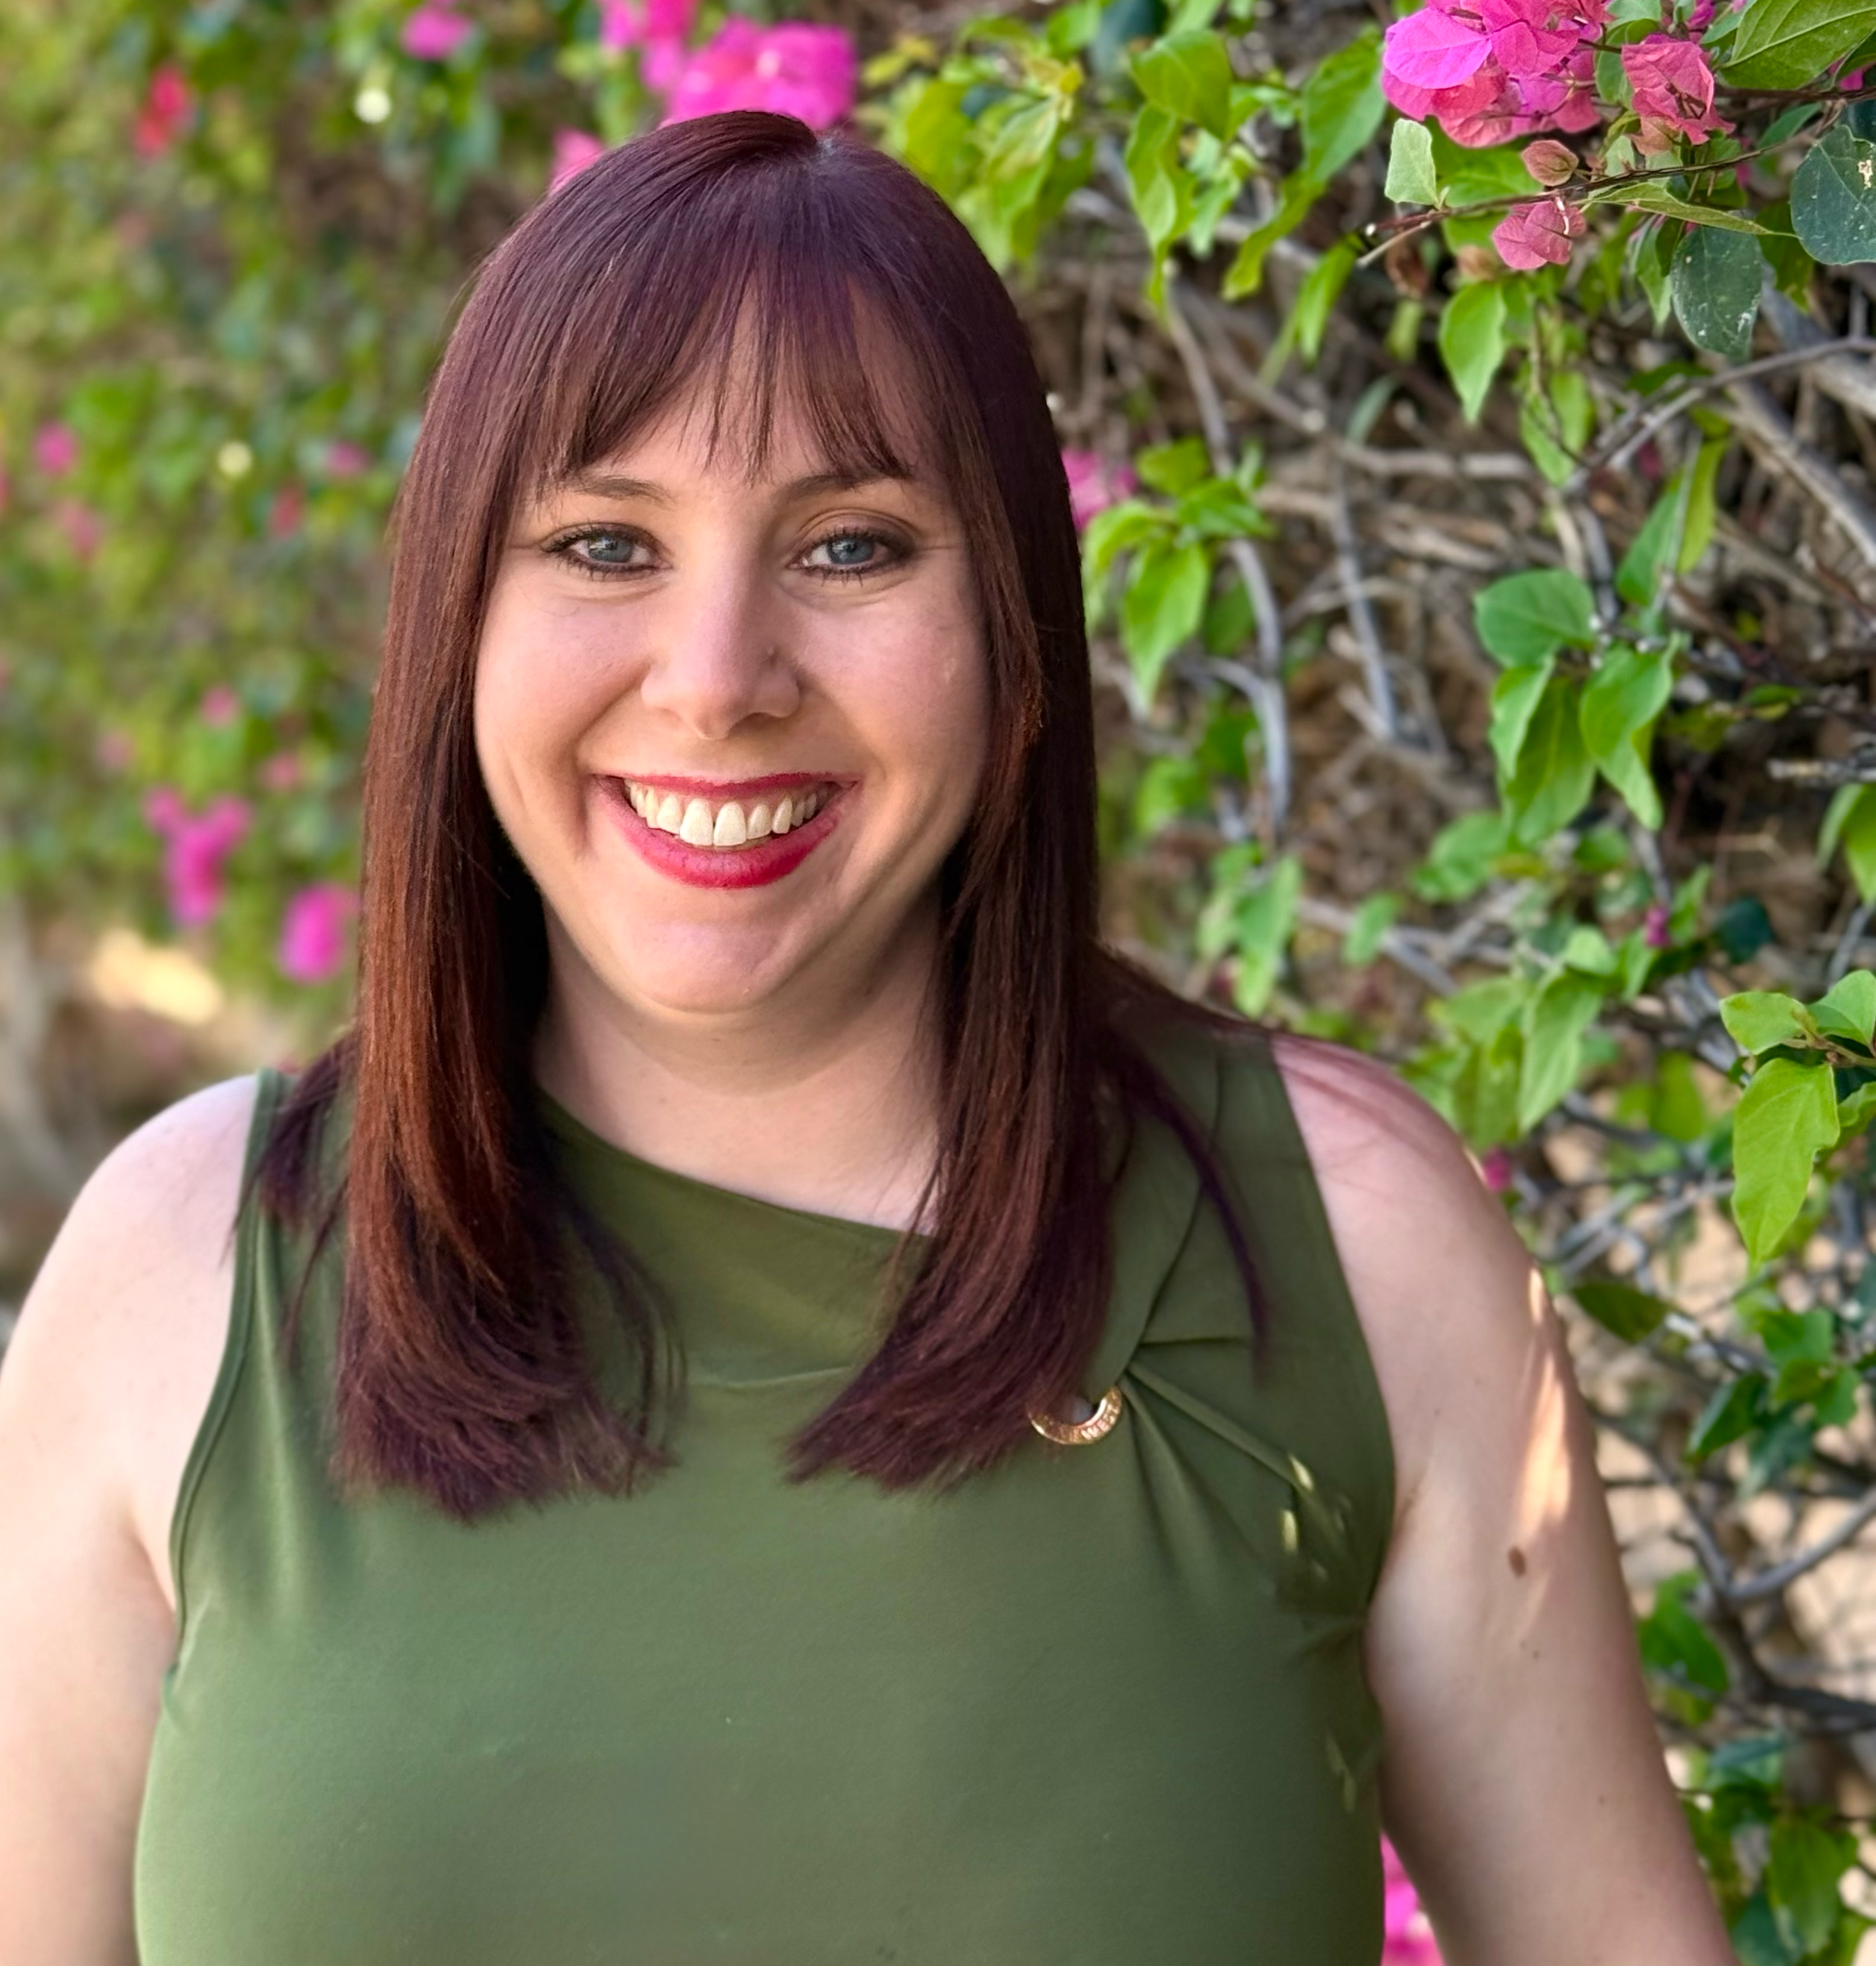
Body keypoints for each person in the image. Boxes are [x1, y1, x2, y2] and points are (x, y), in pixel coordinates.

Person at [0, 112, 1731, 1966]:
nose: (716, 679)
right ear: (457, 623)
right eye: (605, 541)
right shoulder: (180, 1278)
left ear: (1011, 627)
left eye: (849, 544)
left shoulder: (1352, 1248)